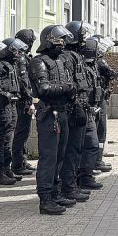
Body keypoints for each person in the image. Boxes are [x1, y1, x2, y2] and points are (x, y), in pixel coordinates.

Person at [29, 25, 77, 215]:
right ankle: (45, 198)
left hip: (63, 112)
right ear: (48, 41)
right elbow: (44, 89)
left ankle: (55, 193)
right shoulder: (39, 62)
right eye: (58, 41)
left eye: (63, 41)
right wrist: (67, 87)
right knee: (49, 158)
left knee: (60, 156)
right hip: (49, 115)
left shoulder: (61, 61)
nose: (61, 45)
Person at [60, 21, 99, 204]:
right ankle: (68, 186)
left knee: (78, 148)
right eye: (83, 36)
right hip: (73, 109)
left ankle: (73, 184)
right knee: (71, 150)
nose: (85, 39)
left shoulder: (76, 56)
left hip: (82, 107)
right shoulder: (68, 57)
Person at [0, 37, 29, 185]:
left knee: (9, 140)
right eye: (14, 50)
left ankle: (7, 169)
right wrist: (4, 94)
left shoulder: (12, 65)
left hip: (12, 106)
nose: (17, 53)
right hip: (2, 106)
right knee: (0, 141)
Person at [11, 29, 37, 176]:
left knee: (24, 133)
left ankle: (22, 160)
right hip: (22, 102)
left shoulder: (23, 56)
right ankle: (17, 164)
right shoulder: (21, 58)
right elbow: (24, 81)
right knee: (21, 133)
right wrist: (29, 99)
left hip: (24, 100)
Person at [93, 37, 117, 172]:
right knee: (99, 130)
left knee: (100, 131)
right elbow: (111, 72)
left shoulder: (96, 60)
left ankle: (98, 160)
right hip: (98, 99)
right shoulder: (99, 61)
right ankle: (96, 161)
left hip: (101, 97)